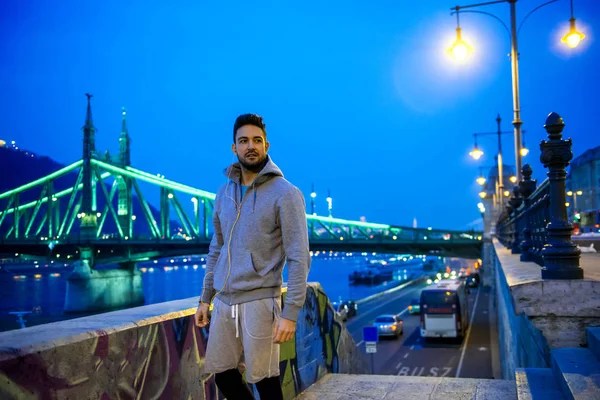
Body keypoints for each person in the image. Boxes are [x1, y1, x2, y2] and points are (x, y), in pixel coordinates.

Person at [195, 113, 310, 400]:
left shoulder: (286, 193)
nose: (251, 146)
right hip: (224, 301)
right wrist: (204, 298)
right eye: (243, 141)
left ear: (266, 146)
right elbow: (216, 249)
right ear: (234, 148)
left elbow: (299, 256)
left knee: (266, 381)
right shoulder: (223, 193)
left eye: (256, 140)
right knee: (221, 373)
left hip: (260, 300)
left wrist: (290, 313)